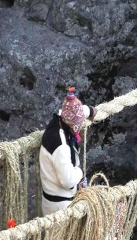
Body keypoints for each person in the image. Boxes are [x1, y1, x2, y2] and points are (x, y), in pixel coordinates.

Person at [39, 87, 96, 216]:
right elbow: (68, 180)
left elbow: (74, 112)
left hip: (53, 199)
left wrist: (90, 111)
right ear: (72, 125)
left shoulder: (61, 120)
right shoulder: (61, 145)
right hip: (59, 207)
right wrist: (80, 172)